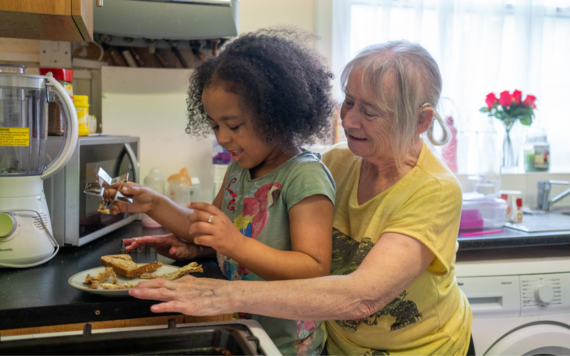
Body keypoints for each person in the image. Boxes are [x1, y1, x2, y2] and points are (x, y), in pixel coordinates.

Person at [128, 40, 473, 355]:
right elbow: (279, 232)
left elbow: (361, 297)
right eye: (349, 101)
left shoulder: (435, 190)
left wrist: (221, 294)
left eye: (370, 112)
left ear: (420, 120)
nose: (350, 120)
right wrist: (207, 245)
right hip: (340, 347)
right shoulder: (339, 161)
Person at [114, 30, 337, 355]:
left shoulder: (304, 175)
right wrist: (154, 202)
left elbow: (315, 269)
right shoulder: (239, 168)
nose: (223, 138)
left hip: (288, 345)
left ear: (277, 116)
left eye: (234, 126)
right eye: (215, 125)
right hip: (244, 327)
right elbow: (202, 229)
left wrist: (236, 243)